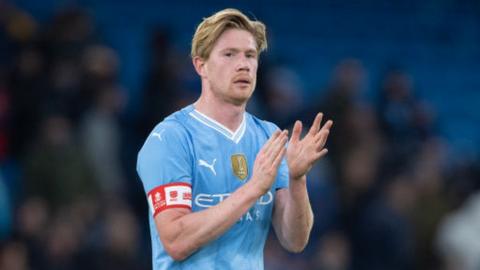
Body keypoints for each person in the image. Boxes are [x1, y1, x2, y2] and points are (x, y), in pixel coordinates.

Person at [136, 8, 333, 270]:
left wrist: (297, 179)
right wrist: (253, 189)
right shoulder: (170, 139)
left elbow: (294, 240)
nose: (243, 64)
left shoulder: (268, 137)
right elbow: (176, 240)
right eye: (229, 54)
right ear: (200, 65)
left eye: (250, 55)